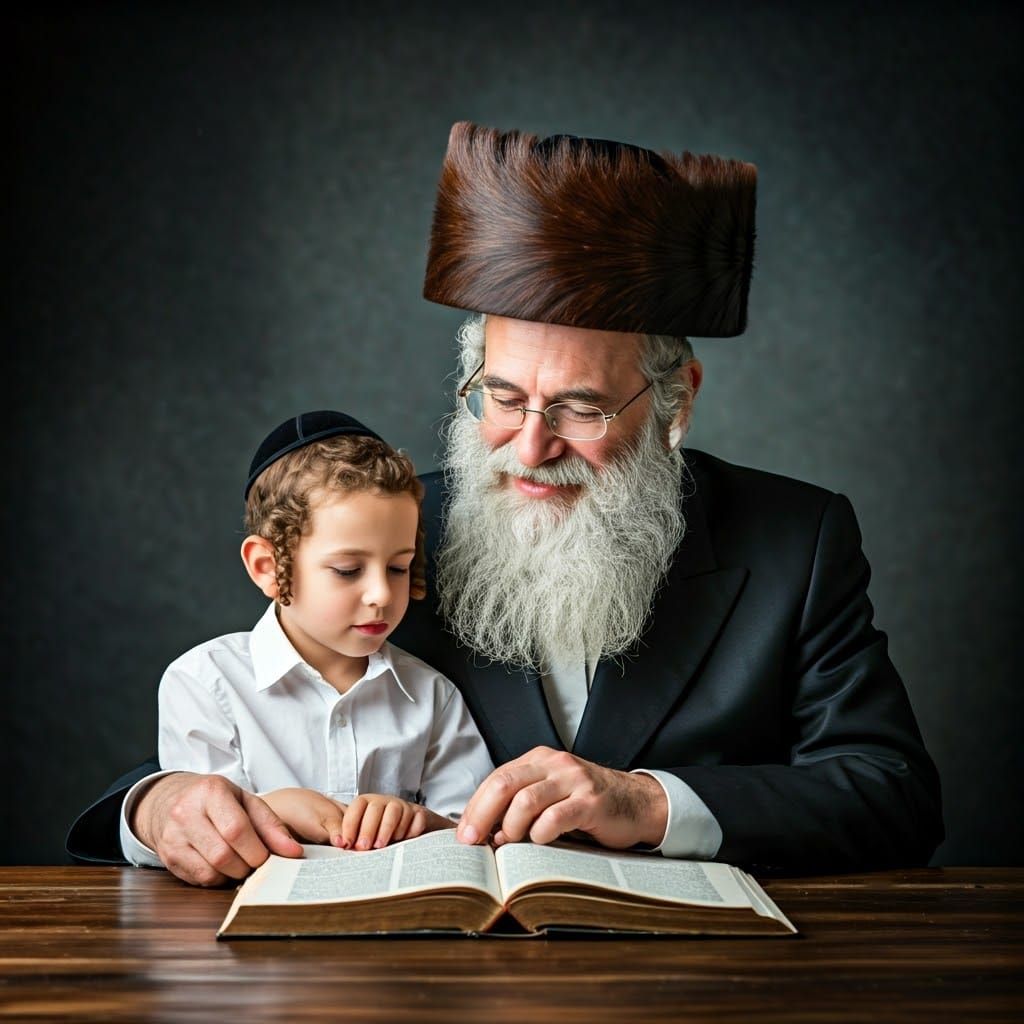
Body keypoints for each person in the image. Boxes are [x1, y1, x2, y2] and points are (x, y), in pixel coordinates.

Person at [68, 122, 943, 885]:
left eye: (581, 408)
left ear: (676, 401)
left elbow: (892, 794)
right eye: (504, 395)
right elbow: (251, 717)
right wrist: (159, 807)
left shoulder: (797, 539)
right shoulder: (398, 531)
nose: (530, 449)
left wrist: (648, 804)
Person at [114, 410, 494, 879]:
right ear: (267, 567)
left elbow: (470, 833)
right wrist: (267, 810)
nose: (381, 594)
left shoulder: (434, 696)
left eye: (398, 568)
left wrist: (418, 821)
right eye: (347, 570)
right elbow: (199, 838)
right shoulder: (205, 682)